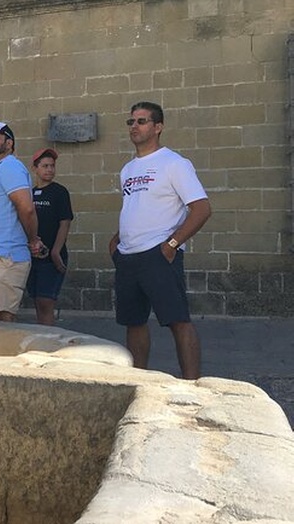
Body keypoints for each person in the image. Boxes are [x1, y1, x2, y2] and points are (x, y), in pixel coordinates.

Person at [109, 101, 212, 380]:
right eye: (131, 121)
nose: (134, 127)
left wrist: (171, 245)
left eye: (141, 121)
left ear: (158, 127)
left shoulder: (174, 164)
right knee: (133, 322)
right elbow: (137, 207)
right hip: (128, 256)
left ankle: (192, 385)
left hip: (159, 255)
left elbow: (201, 208)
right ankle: (139, 382)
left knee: (178, 321)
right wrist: (116, 241)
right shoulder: (128, 169)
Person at [0, 121, 45, 322]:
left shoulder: (10, 166)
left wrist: (33, 240)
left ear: (9, 144)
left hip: (6, 255)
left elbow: (26, 208)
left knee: (2, 323)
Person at [27, 148, 73, 325]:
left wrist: (56, 251)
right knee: (37, 301)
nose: (49, 170)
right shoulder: (29, 193)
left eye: (52, 166)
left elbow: (65, 222)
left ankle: (50, 343)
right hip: (33, 255)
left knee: (46, 302)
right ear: (35, 168)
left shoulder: (59, 192)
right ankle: (43, 338)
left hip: (52, 257)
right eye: (45, 166)